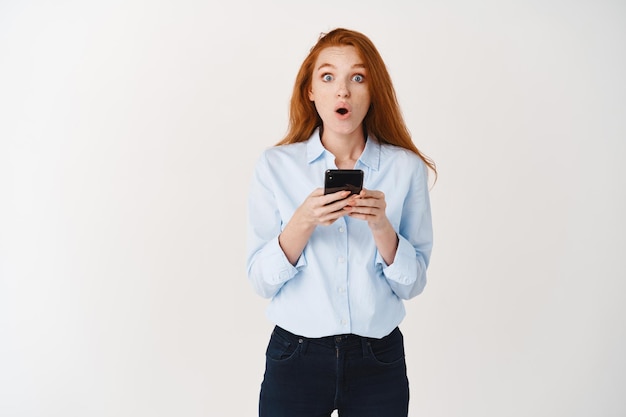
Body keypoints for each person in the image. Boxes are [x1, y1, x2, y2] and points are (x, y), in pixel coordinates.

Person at [246, 27, 436, 417]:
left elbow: (413, 284)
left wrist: (382, 226)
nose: (343, 91)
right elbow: (260, 281)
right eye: (328, 77)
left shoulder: (405, 169)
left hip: (378, 359)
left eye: (358, 77)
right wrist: (302, 221)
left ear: (373, 90)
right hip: (295, 355)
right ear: (310, 91)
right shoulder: (275, 166)